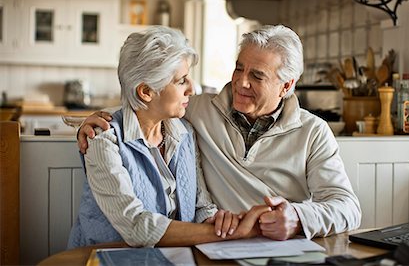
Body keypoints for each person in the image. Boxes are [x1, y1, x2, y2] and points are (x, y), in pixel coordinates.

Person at [78, 24, 361, 241]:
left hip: (277, 248)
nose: (241, 82)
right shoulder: (199, 110)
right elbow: (146, 102)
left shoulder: (313, 132)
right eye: (239, 68)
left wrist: (299, 217)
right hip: (219, 244)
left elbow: (348, 208)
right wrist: (90, 121)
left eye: (257, 76)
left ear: (286, 86)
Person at [68, 26, 270, 249]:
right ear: (146, 92)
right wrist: (233, 234)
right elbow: (137, 227)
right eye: (181, 80)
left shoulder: (184, 133)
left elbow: (201, 206)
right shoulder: (104, 141)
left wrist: (219, 223)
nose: (192, 89)